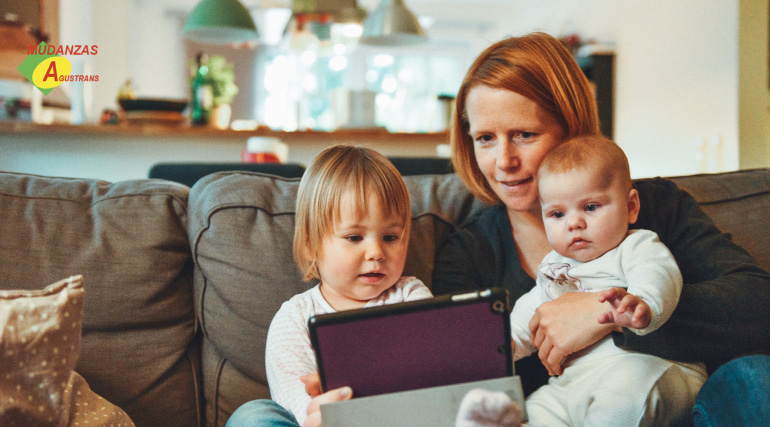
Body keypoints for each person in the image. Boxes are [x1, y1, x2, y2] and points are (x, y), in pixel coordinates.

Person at [431, 31, 770, 424]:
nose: (504, 160)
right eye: (486, 139)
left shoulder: (655, 207)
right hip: (561, 407)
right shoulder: (469, 252)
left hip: (679, 403)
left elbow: (758, 304)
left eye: (524, 134)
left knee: (753, 378)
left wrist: (602, 313)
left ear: (570, 127)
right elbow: (460, 372)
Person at [504, 134, 705, 425]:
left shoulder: (636, 246)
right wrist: (506, 342)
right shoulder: (553, 266)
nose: (574, 223)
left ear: (631, 207)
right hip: (573, 383)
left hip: (647, 368)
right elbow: (532, 310)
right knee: (535, 411)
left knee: (621, 398)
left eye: (590, 207)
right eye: (558, 213)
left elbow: (658, 274)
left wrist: (642, 304)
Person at [227, 145, 433, 427]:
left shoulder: (412, 297)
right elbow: (297, 405)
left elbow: (430, 379)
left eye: (390, 237)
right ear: (311, 244)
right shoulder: (294, 318)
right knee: (253, 415)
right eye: (354, 238)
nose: (376, 252)